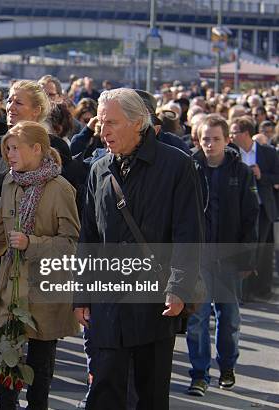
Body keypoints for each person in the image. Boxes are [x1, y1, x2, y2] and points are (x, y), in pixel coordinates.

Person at [74, 88, 204, 410]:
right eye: (100, 123)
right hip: (107, 304)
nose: (103, 131)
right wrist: (81, 295)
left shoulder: (177, 165)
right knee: (104, 392)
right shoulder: (99, 169)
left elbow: (189, 234)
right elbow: (89, 236)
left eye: (112, 123)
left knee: (150, 395)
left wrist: (179, 288)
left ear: (138, 123)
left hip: (154, 302)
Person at [0, 121, 80, 409]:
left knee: (40, 374)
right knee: (6, 368)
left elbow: (71, 243)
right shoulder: (10, 181)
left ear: (37, 149)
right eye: (8, 149)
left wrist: (32, 243)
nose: (10, 155)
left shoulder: (60, 189)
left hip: (45, 291)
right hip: (12, 290)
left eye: (16, 148)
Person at [186, 115, 259, 397]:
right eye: (205, 138)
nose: (210, 144)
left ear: (227, 139)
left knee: (229, 318)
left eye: (216, 138)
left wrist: (246, 258)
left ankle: (227, 366)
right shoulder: (190, 168)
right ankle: (199, 374)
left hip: (229, 258)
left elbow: (250, 218)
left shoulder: (239, 172)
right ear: (198, 138)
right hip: (198, 258)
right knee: (197, 319)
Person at [230, 116, 279, 301]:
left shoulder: (268, 152)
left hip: (262, 207)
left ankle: (261, 289)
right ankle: (244, 291)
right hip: (240, 208)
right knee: (245, 248)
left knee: (262, 249)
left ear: (245, 134)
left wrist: (261, 175)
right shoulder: (231, 152)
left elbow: (277, 177)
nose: (231, 135)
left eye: (234, 132)